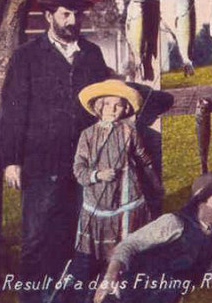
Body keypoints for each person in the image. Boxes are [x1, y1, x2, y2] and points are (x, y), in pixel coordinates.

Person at [0, 0, 110, 303]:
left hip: (85, 162)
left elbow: (103, 105)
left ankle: (71, 298)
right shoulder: (27, 57)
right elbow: (13, 111)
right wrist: (11, 160)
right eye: (65, 14)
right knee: (36, 238)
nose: (72, 21)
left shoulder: (92, 55)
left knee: (78, 235)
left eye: (76, 14)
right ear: (49, 16)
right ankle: (32, 299)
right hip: (40, 162)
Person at [64, 79, 163, 302]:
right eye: (107, 104)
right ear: (98, 107)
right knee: (92, 256)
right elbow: (78, 168)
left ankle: (121, 285)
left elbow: (145, 160)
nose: (112, 109)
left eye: (118, 105)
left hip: (127, 200)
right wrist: (97, 175)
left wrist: (155, 183)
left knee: (125, 250)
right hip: (97, 203)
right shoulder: (87, 135)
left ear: (125, 108)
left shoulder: (128, 131)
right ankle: (92, 287)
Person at [93, 173, 212, 303]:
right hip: (130, 288)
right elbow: (128, 245)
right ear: (200, 204)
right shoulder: (174, 222)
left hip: (165, 294)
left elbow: (205, 273)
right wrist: (110, 277)